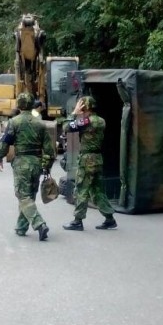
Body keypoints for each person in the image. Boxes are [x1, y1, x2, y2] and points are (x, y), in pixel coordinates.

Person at [0, 92, 55, 241]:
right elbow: (50, 150)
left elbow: (5, 142)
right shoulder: (40, 124)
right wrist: (46, 166)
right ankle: (21, 227)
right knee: (29, 196)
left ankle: (39, 224)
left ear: (19, 105)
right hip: (36, 162)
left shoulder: (14, 122)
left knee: (23, 196)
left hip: (22, 162)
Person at [62, 94, 117, 231]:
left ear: (84, 107)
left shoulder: (86, 121)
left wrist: (74, 113)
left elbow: (66, 127)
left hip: (87, 159)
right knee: (97, 190)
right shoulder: (101, 121)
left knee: (81, 189)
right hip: (98, 158)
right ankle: (109, 218)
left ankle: (77, 221)